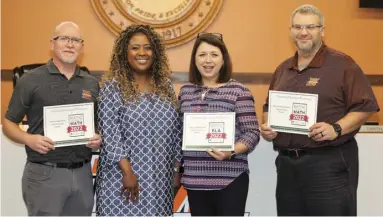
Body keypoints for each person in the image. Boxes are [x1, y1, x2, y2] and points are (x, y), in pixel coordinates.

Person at [260, 4, 380, 216]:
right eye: (297, 27)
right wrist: (268, 125)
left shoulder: (343, 65)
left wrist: (337, 127)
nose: (303, 32)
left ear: (322, 31)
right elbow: (269, 106)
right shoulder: (282, 69)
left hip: (328, 164)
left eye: (310, 27)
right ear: (290, 31)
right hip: (288, 167)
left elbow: (366, 105)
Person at [2, 21, 101, 216]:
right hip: (44, 173)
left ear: (82, 47)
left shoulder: (92, 83)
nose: (70, 44)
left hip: (82, 173)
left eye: (75, 40)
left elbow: (97, 125)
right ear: (52, 44)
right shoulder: (30, 80)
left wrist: (98, 137)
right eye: (64, 38)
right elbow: (8, 123)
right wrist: (28, 139)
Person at [96, 24, 182, 216]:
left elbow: (177, 130)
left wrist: (177, 169)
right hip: (121, 180)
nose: (142, 52)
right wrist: (127, 172)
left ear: (156, 52)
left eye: (148, 47)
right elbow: (110, 132)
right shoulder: (113, 87)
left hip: (161, 180)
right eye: (135, 47)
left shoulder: (165, 86)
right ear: (124, 53)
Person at [178, 33, 260, 216]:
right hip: (195, 180)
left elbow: (252, 133)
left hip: (230, 179)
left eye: (214, 55)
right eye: (202, 55)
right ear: (194, 60)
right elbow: (179, 133)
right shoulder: (185, 91)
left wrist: (230, 151)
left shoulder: (239, 91)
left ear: (223, 60)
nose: (208, 60)